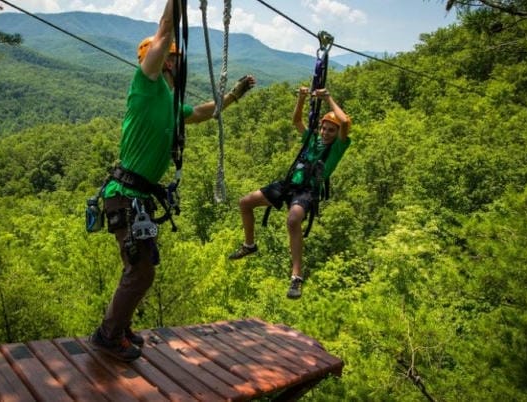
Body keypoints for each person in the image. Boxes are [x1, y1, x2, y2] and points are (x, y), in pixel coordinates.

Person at [90, 0, 255, 362]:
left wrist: (234, 96)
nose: (181, 62)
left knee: (141, 266)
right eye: (176, 57)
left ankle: (117, 324)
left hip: (137, 199)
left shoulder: (169, 98)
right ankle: (107, 335)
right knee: (141, 271)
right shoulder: (147, 85)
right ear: (165, 60)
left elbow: (200, 112)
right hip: (126, 195)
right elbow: (165, 32)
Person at [228, 86, 350, 299]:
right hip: (289, 184)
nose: (326, 132)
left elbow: (346, 122)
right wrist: (302, 98)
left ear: (337, 133)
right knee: (245, 202)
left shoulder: (339, 146)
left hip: (308, 190)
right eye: (324, 128)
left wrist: (328, 97)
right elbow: (296, 121)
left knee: (293, 220)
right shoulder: (313, 140)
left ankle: (296, 277)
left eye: (331, 130)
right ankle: (249, 245)